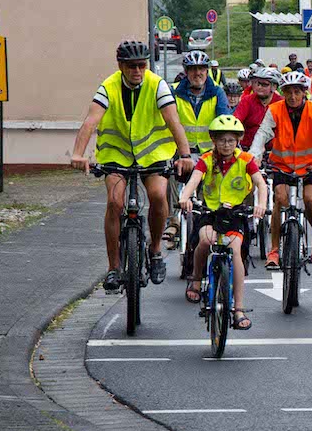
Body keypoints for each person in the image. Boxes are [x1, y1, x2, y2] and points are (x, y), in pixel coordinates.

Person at [69, 40, 194, 292]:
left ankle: (156, 249)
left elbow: (173, 121)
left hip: (153, 154)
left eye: (142, 65)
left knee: (158, 195)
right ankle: (114, 267)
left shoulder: (157, 85)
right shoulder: (109, 86)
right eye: (131, 66)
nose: (138, 71)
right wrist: (78, 154)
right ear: (120, 66)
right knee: (115, 202)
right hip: (116, 154)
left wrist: (185, 155)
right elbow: (91, 121)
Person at [178, 115, 268, 330]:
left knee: (235, 249)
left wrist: (261, 204)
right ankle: (197, 278)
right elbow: (195, 180)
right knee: (205, 240)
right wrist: (185, 197)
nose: (226, 145)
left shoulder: (246, 159)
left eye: (231, 140)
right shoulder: (207, 159)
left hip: (235, 214)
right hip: (210, 212)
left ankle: (238, 308)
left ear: (237, 140)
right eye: (221, 140)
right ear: (213, 140)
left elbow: (261, 184)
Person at [248, 70, 312, 267]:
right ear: (283, 92)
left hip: (311, 167)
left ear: (304, 92)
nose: (293, 96)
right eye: (288, 92)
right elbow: (261, 135)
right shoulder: (275, 110)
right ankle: (274, 250)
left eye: (297, 92)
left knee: (310, 198)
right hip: (283, 166)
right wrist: (254, 157)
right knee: (280, 199)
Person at [167, 51, 231, 250]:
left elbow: (223, 122)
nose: (198, 73)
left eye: (202, 69)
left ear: (208, 71)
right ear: (186, 72)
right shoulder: (174, 91)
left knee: (211, 189)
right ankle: (173, 222)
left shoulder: (217, 92)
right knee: (167, 175)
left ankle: (210, 219)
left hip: (208, 153)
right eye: (193, 69)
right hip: (179, 152)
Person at [234, 67, 278, 152]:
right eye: (257, 83)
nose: (259, 87)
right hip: (248, 149)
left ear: (274, 87)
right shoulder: (247, 101)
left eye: (264, 84)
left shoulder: (280, 102)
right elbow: (236, 121)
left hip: (274, 152)